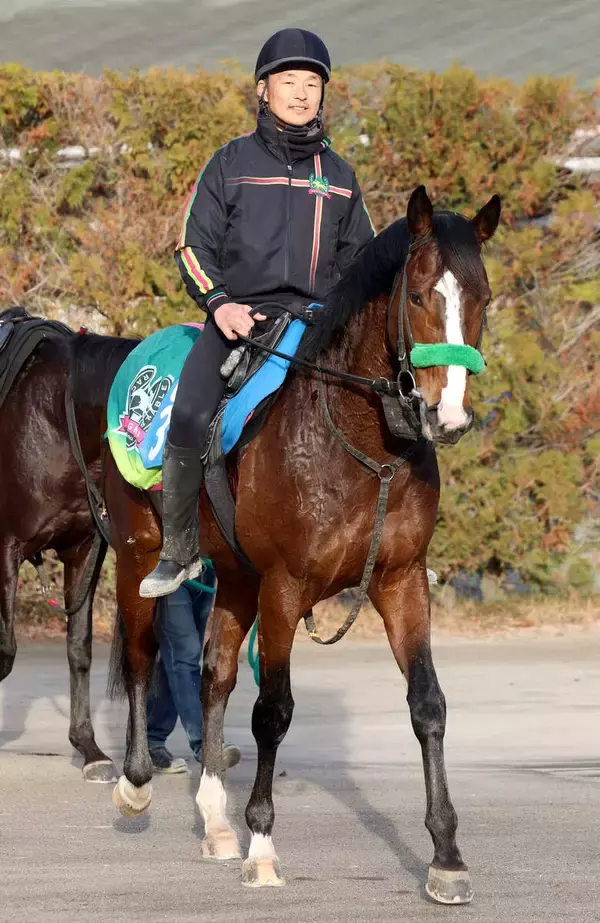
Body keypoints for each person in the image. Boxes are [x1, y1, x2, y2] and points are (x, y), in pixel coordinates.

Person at [140, 27, 374, 598]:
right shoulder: (228, 163)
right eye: (289, 81)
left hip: (318, 324)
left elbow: (363, 264)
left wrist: (340, 316)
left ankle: (380, 543)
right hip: (239, 318)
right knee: (191, 412)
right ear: (263, 89)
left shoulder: (341, 177)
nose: (301, 93)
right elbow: (193, 249)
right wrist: (220, 306)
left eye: (313, 83)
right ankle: (179, 551)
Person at [147, 565, 241, 772]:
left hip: (205, 569)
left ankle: (152, 738)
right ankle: (206, 744)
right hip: (170, 568)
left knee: (176, 656)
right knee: (185, 654)